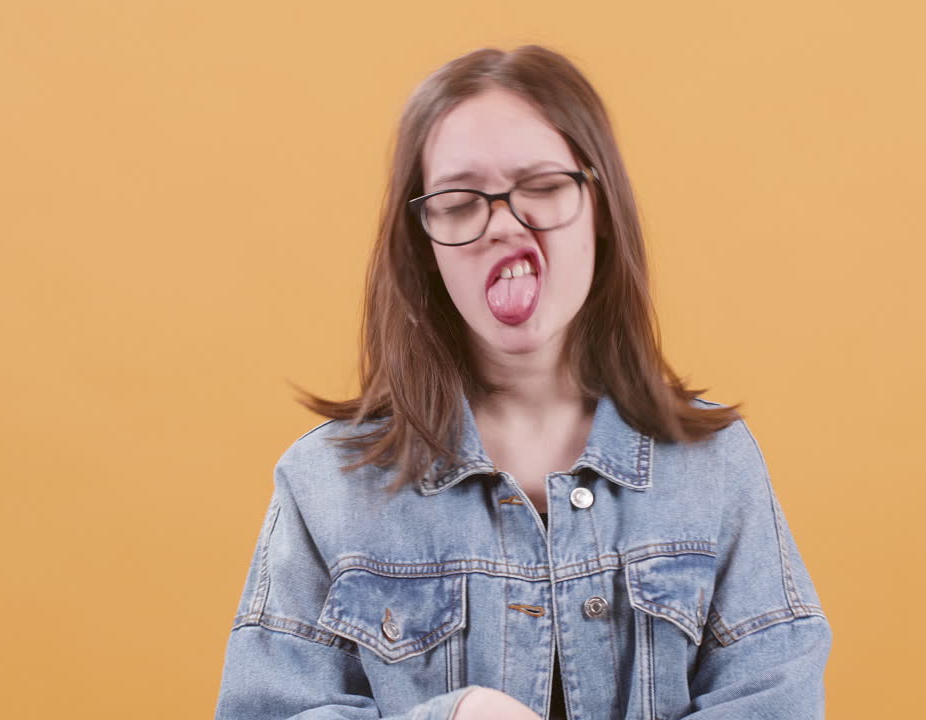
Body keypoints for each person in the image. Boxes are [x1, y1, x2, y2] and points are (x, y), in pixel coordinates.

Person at [214, 45, 831, 719]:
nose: (505, 224)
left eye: (541, 185)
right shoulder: (324, 486)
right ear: (422, 241)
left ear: (600, 209)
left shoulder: (715, 467)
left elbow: (777, 697)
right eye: (459, 198)